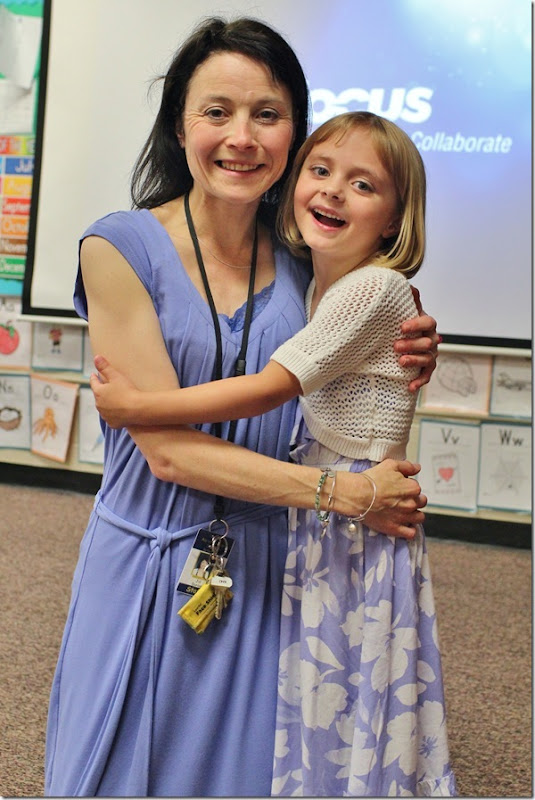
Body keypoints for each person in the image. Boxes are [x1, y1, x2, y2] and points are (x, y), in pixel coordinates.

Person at [45, 17, 441, 798]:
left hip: (271, 565)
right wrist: (341, 493)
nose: (241, 137)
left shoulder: (306, 256)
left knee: (254, 773)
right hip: (148, 560)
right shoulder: (118, 247)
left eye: (267, 114)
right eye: (216, 112)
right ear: (179, 125)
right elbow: (166, 451)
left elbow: (370, 333)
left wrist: (413, 341)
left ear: (294, 131)